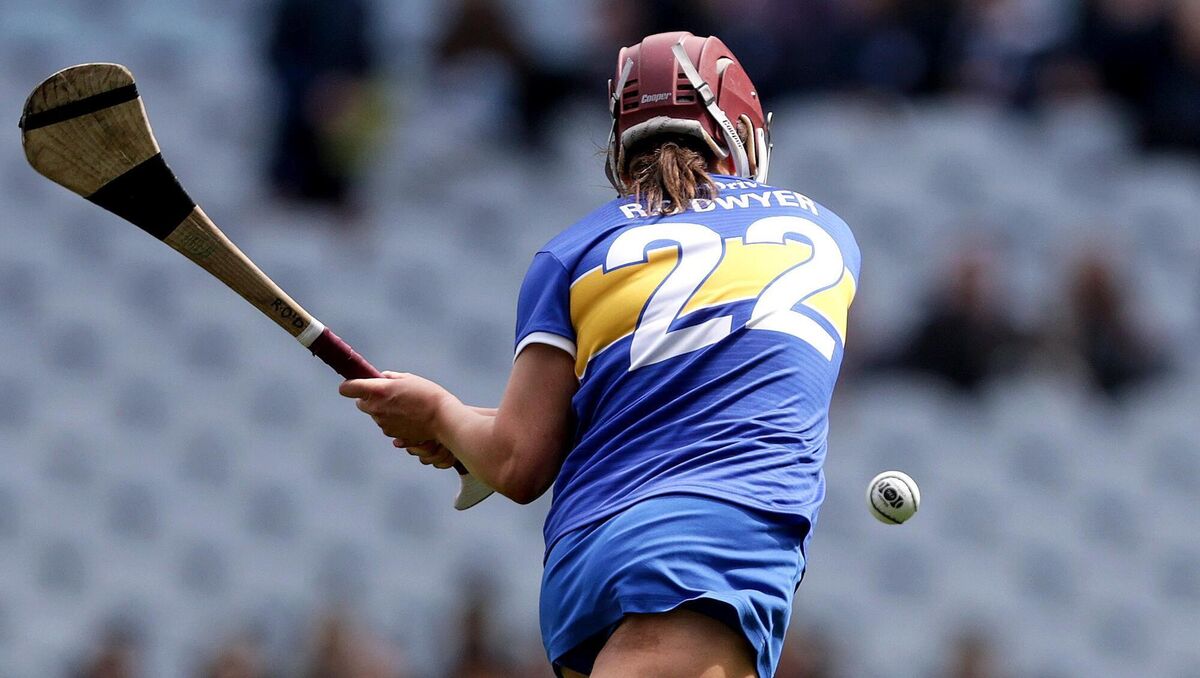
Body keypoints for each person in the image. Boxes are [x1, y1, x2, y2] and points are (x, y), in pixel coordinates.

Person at [340, 32, 860, 678]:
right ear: (741, 131)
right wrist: (447, 423)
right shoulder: (827, 234)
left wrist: (444, 416)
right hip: (704, 545)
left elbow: (518, 458)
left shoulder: (573, 252)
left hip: (585, 554)